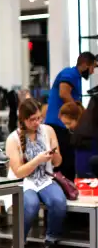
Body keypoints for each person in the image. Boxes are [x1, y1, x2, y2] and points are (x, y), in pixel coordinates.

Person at [6, 99, 67, 248]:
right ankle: (18, 246)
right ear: (23, 120)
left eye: (39, 118)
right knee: (30, 205)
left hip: (45, 178)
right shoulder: (13, 139)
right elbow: (19, 172)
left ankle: (50, 242)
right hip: (23, 181)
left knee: (59, 202)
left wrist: (54, 155)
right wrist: (37, 160)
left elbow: (58, 163)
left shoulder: (48, 131)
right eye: (32, 119)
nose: (37, 122)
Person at [45, 52, 96, 181]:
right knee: (65, 162)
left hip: (62, 126)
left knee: (69, 161)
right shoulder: (70, 73)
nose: (92, 72)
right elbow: (63, 93)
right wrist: (78, 111)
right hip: (57, 125)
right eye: (93, 67)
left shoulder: (76, 78)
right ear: (85, 64)